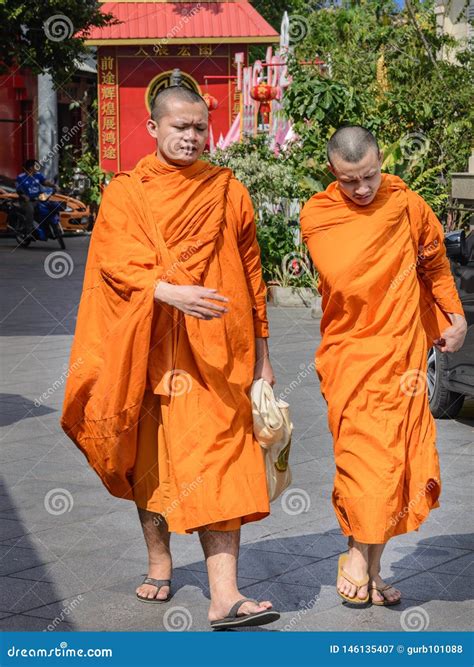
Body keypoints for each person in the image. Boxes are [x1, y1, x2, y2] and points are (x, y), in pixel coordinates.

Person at [61, 86, 280, 629]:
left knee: (223, 462)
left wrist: (264, 356)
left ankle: (224, 594)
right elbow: (114, 264)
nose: (191, 137)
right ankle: (160, 558)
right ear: (153, 127)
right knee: (153, 462)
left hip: (221, 358)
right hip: (151, 353)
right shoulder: (127, 194)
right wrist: (166, 290)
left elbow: (253, 278)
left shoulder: (228, 191)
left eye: (200, 128)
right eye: (180, 127)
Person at [300, 125, 467, 607]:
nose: (362, 189)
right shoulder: (321, 215)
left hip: (403, 351)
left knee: (395, 462)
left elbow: (434, 266)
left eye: (370, 176)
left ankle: (368, 568)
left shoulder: (408, 205)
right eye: (350, 180)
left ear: (380, 161)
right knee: (363, 459)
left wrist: (453, 317)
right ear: (333, 173)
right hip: (351, 353)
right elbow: (346, 278)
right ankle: (357, 560)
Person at [16, 160, 56, 235]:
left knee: (49, 206)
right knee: (30, 210)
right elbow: (19, 190)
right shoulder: (21, 177)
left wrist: (54, 185)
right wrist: (25, 197)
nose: (38, 167)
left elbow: (45, 182)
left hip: (38, 198)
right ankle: (29, 230)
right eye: (36, 166)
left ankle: (47, 227)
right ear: (31, 168)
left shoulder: (38, 175)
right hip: (27, 201)